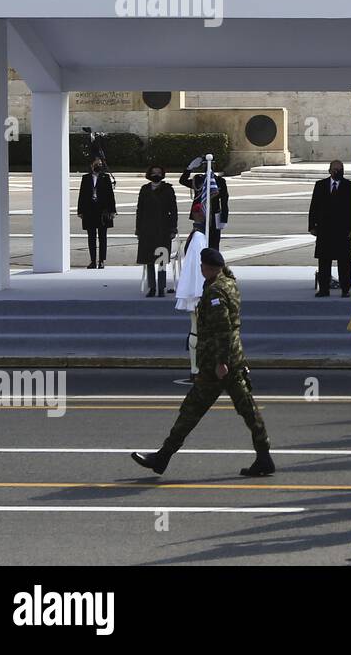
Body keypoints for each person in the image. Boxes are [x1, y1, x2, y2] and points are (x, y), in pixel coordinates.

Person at [131, 249, 274, 477]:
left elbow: (222, 329)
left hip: (218, 364)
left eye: (201, 265)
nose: (199, 269)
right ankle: (264, 456)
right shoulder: (228, 282)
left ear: (209, 267)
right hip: (232, 359)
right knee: (247, 409)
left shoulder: (216, 290)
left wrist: (220, 362)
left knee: (192, 409)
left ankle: (162, 457)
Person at [308, 160, 351, 297]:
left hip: (343, 231)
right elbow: (314, 207)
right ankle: (324, 289)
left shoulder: (349, 186)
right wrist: (312, 226)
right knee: (324, 261)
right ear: (329, 170)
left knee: (344, 262)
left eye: (340, 169)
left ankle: (346, 288)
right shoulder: (320, 185)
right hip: (325, 230)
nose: (337, 172)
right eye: (335, 169)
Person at [135, 166, 178, 298]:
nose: (156, 175)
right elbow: (139, 210)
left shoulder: (168, 189)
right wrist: (138, 229)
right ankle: (152, 287)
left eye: (159, 173)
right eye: (154, 173)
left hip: (163, 229)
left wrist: (173, 228)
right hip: (147, 229)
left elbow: (174, 210)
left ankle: (161, 288)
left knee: (162, 260)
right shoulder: (144, 189)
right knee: (148, 260)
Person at [180, 159, 229, 250]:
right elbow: (182, 181)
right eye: (205, 164)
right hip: (200, 214)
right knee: (199, 240)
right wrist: (189, 168)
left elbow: (224, 200)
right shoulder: (198, 179)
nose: (208, 166)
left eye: (211, 164)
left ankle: (212, 262)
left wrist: (224, 218)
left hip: (214, 215)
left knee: (214, 242)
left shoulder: (220, 181)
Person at [76, 157, 116, 269]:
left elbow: (110, 195)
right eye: (96, 164)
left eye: (100, 164)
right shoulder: (86, 178)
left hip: (103, 211)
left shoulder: (105, 177)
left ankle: (102, 260)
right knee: (91, 237)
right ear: (91, 165)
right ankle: (93, 260)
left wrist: (112, 210)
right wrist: (80, 211)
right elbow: (82, 195)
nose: (99, 165)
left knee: (103, 237)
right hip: (89, 211)